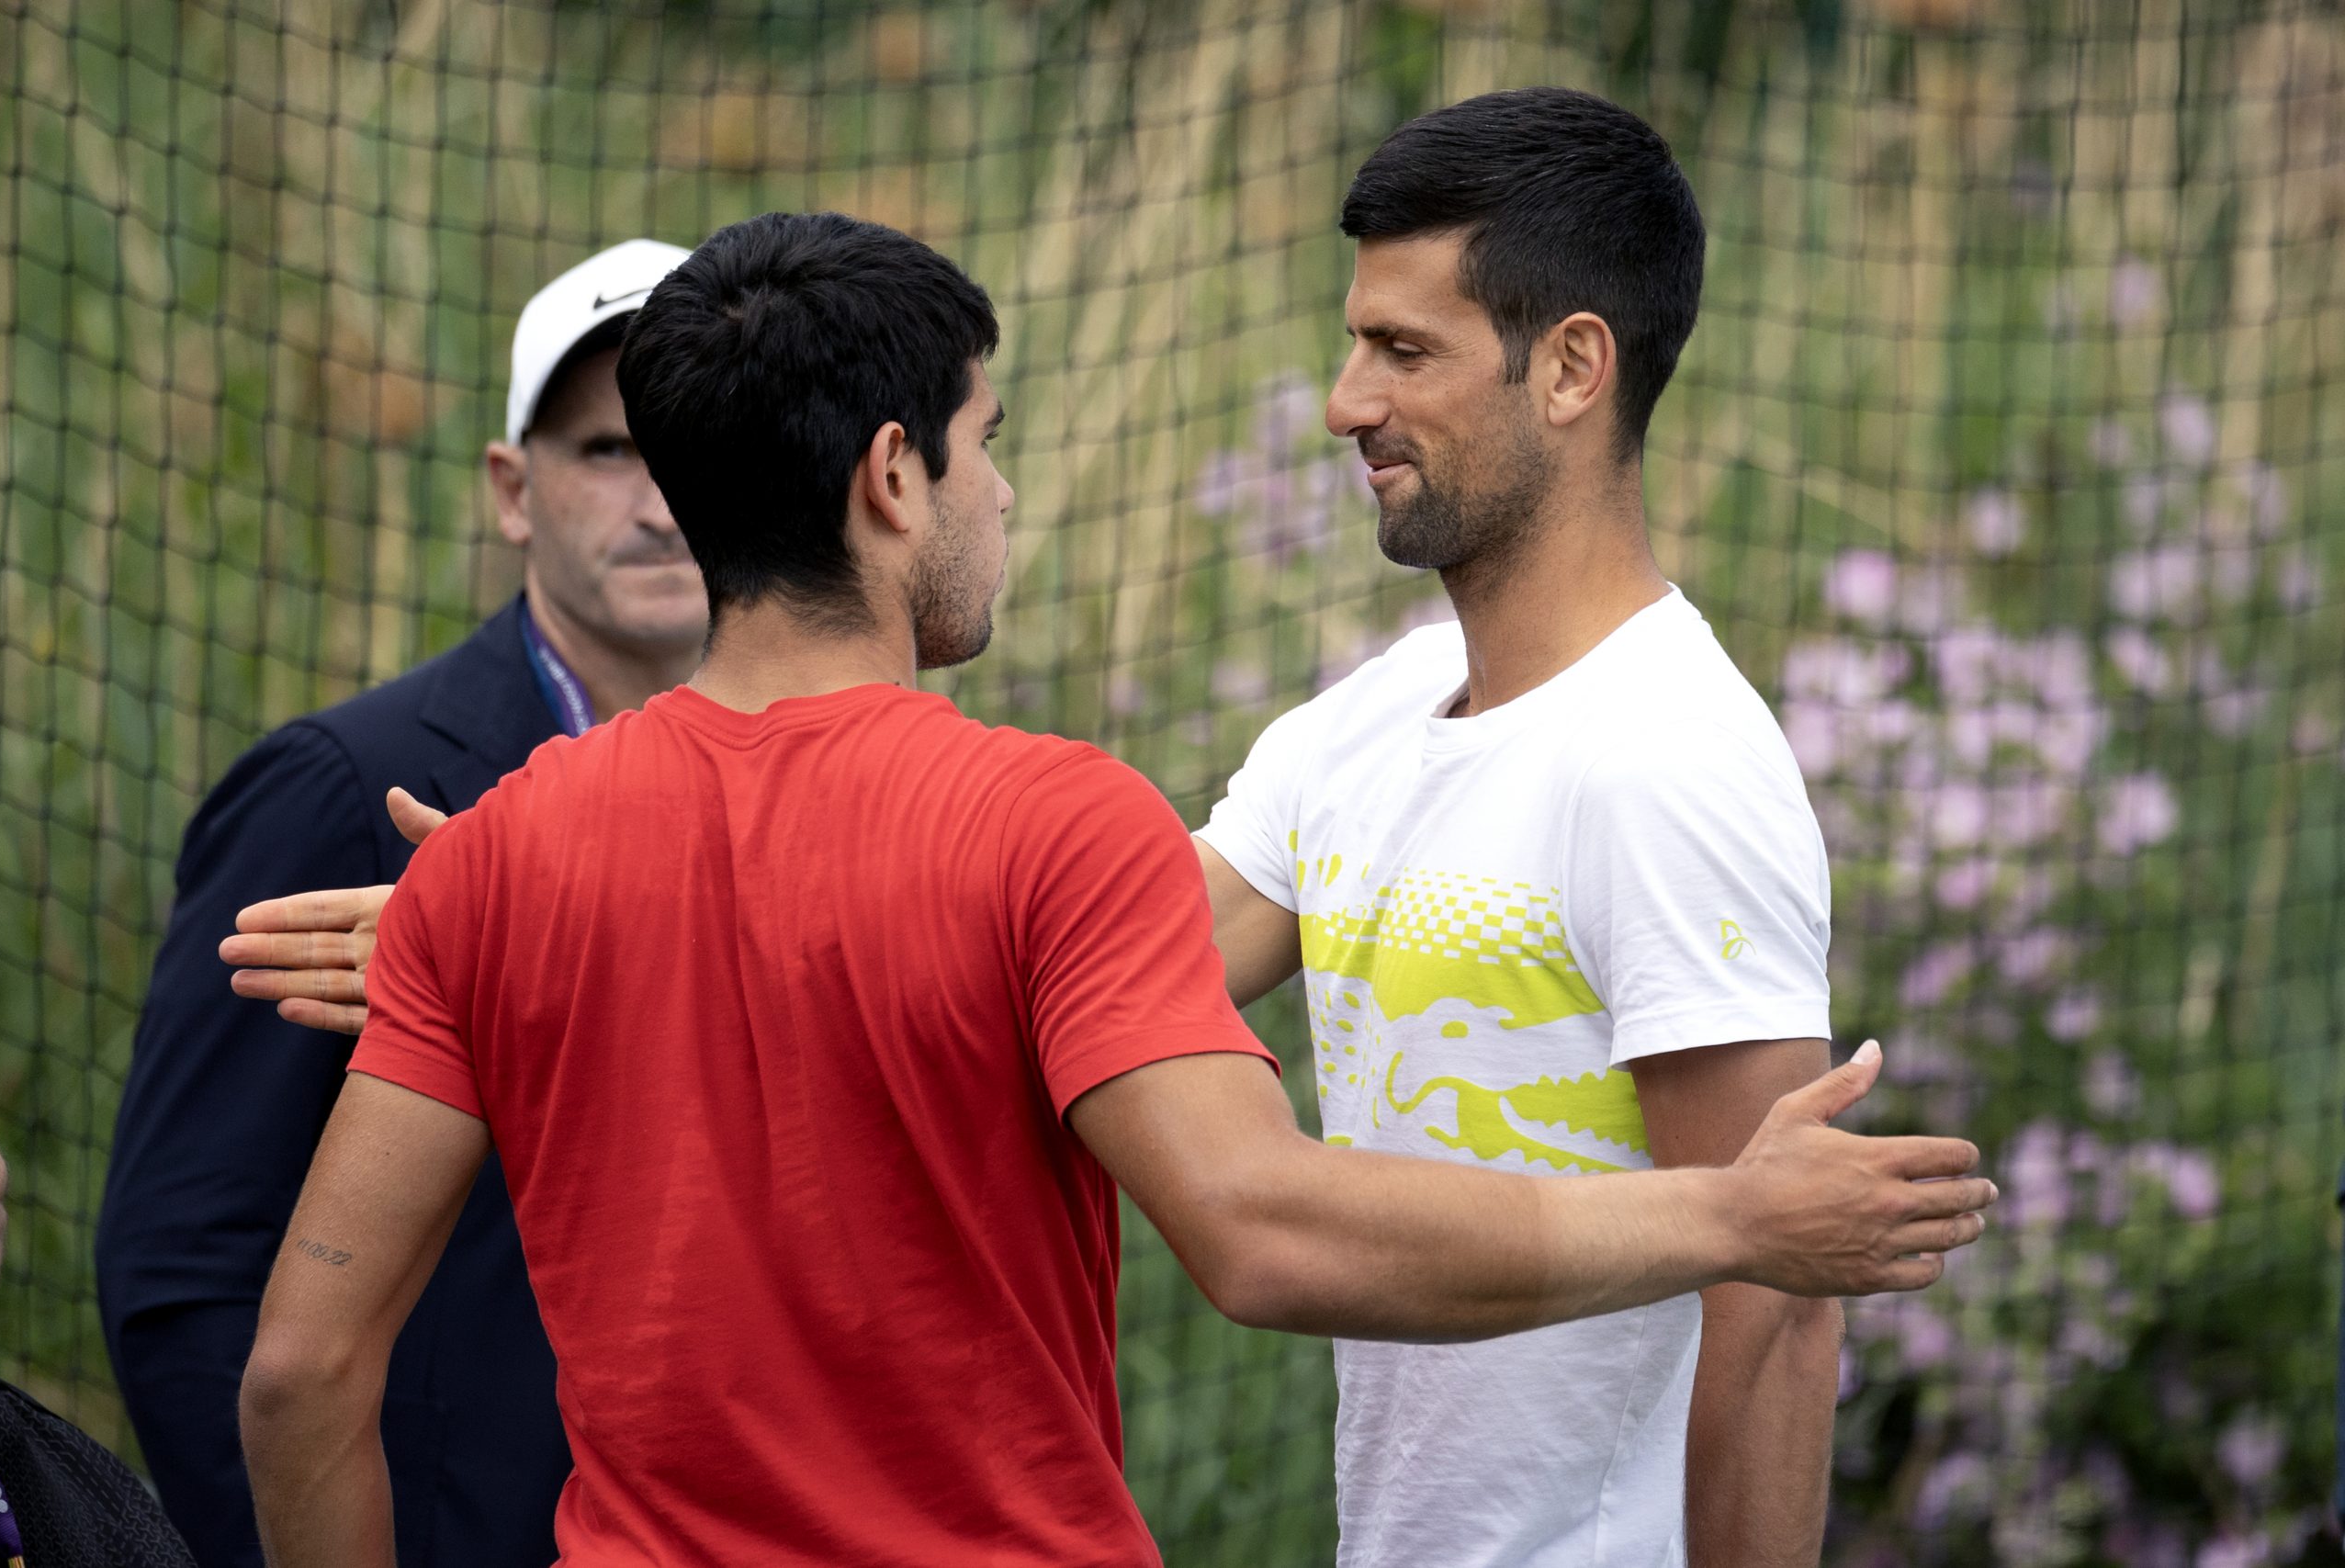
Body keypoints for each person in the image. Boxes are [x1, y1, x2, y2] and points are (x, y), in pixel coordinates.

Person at [231, 209, 1991, 1568]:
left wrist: (533, 928)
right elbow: (1258, 1225)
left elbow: (301, 1375)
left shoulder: (508, 859)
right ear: (895, 477)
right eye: (986, 441)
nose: (1002, 486)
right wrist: (1736, 1222)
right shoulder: (1050, 823)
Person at [1194, 87, 1852, 1567]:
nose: (1344, 401)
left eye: (1403, 350)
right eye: (1357, 339)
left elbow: (1782, 1291)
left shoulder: (1672, 761)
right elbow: (1125, 961)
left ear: (1570, 369)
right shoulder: (1371, 717)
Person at [95, 238, 704, 1568]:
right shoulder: (345, 786)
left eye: (696, 443)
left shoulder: (826, 799)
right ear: (512, 489)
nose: (661, 501)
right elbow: (183, 1268)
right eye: (607, 451)